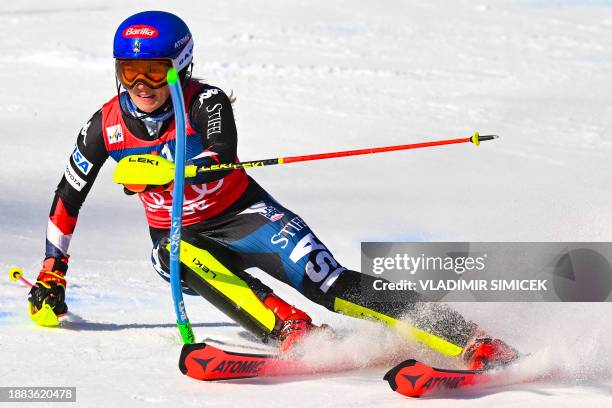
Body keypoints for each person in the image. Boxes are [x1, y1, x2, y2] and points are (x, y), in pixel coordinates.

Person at [28, 10, 517, 370]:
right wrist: (54, 270)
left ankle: (468, 337)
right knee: (170, 254)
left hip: (246, 216)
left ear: (180, 65)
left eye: (154, 71)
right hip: (182, 235)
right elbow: (68, 194)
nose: (140, 84)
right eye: (128, 72)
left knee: (328, 283)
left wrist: (169, 170)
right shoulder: (105, 125)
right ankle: (290, 330)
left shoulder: (207, 100)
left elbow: (221, 151)